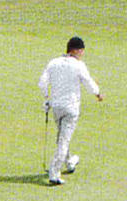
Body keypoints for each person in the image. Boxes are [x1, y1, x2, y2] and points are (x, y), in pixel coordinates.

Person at [38, 36, 104, 185]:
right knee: (64, 140)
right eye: (82, 51)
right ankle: (54, 172)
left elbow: (42, 83)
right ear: (77, 50)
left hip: (56, 107)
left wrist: (47, 98)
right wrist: (98, 93)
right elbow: (88, 82)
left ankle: (69, 162)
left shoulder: (53, 62)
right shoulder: (78, 65)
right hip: (71, 108)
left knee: (62, 136)